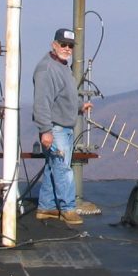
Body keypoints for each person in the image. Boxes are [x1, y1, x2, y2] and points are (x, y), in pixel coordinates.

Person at [32, 27, 91, 225]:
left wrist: (79, 106)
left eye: (70, 46)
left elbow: (63, 96)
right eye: (63, 44)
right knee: (63, 169)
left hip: (63, 127)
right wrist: (45, 131)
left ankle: (46, 207)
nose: (67, 48)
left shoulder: (62, 66)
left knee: (53, 167)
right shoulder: (47, 69)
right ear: (54, 44)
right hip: (55, 129)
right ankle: (68, 209)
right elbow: (42, 102)